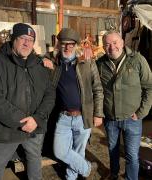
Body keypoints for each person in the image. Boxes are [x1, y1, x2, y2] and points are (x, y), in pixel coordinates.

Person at [0, 23, 55, 180]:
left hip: (34, 129)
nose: (27, 43)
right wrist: (22, 121)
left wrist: (37, 118)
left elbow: (49, 94)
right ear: (13, 39)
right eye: (22, 38)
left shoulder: (39, 66)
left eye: (30, 39)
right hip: (5, 132)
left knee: (34, 161)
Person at [44, 28, 104, 180]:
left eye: (71, 44)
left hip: (82, 117)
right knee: (59, 151)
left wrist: (98, 113)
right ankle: (86, 168)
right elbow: (34, 58)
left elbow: (98, 89)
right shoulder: (54, 64)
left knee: (78, 152)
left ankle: (71, 178)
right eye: (63, 44)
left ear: (76, 45)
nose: (67, 47)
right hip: (63, 118)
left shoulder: (87, 63)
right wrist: (42, 60)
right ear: (58, 45)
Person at [96, 30, 152, 180]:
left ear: (122, 42)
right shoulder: (100, 64)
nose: (111, 47)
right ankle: (114, 173)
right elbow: (94, 88)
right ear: (103, 46)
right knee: (113, 150)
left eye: (114, 42)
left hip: (132, 119)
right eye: (107, 44)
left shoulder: (137, 60)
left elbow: (149, 87)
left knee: (132, 155)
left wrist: (141, 112)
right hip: (110, 119)